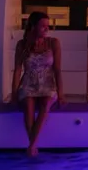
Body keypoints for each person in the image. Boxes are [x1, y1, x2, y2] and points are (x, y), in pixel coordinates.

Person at [11, 12, 64, 156]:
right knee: (28, 107)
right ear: (33, 27)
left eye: (48, 26)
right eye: (43, 26)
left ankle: (32, 145)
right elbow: (17, 70)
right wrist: (14, 94)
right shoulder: (22, 45)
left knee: (45, 104)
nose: (47, 29)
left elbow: (57, 69)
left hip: (47, 83)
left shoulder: (53, 43)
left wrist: (61, 94)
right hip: (28, 83)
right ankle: (33, 145)